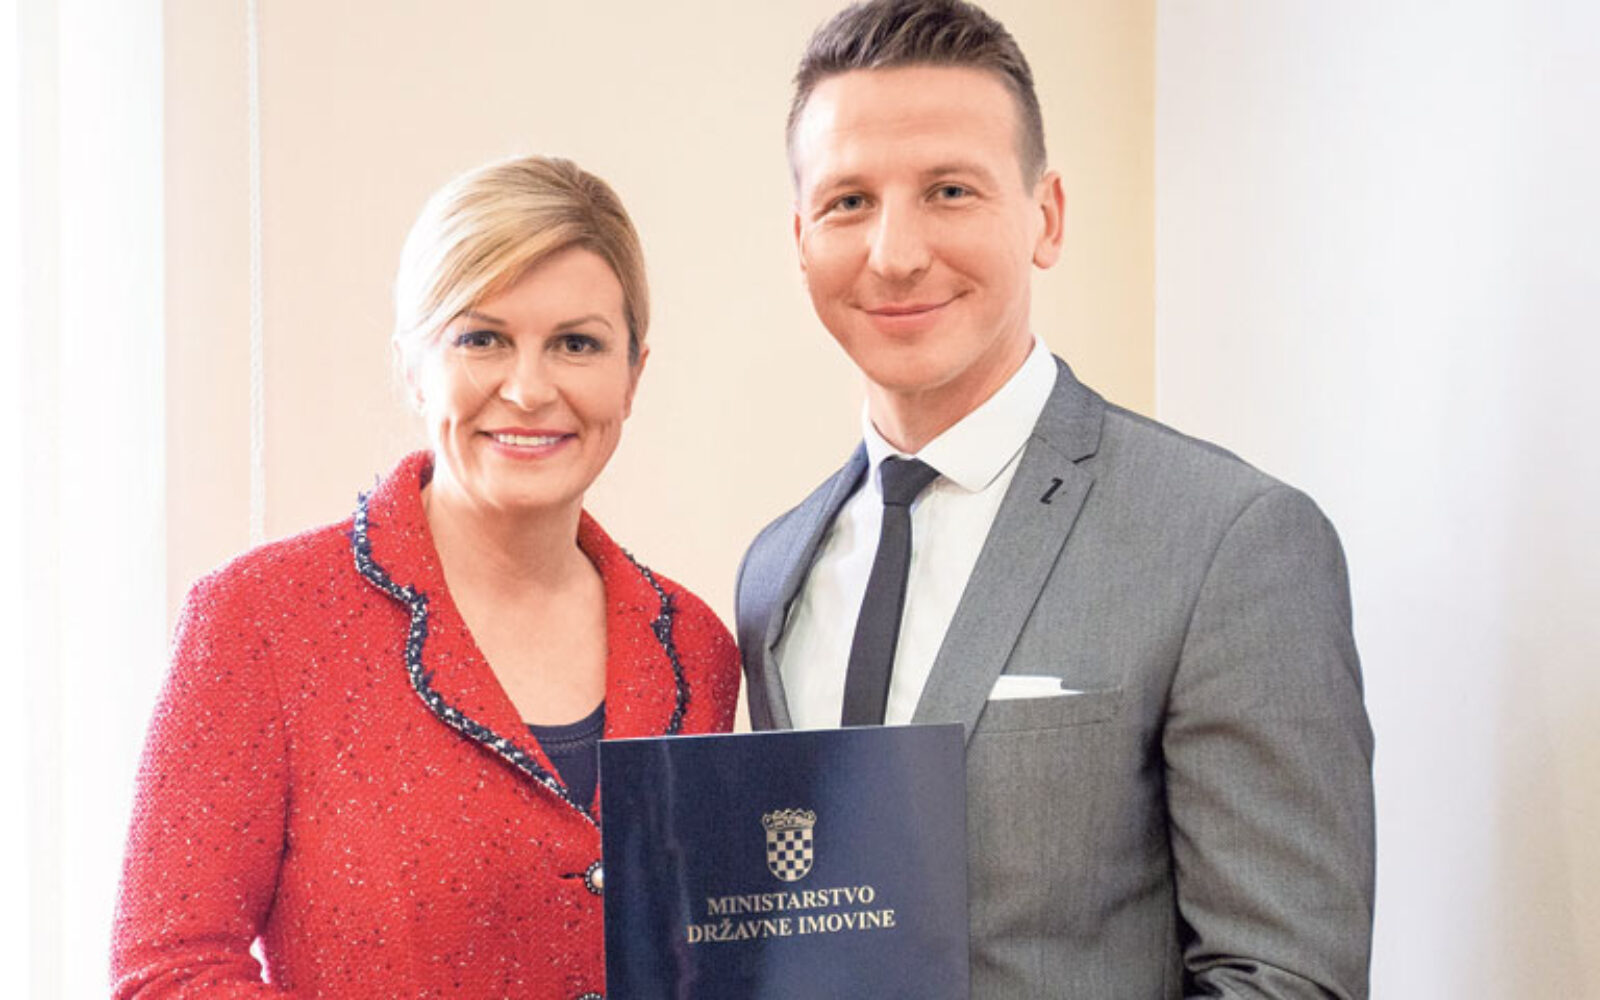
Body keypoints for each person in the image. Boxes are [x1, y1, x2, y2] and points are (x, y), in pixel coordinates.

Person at [735, 2, 1376, 997]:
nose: (894, 252)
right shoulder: (774, 575)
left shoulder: (1229, 541)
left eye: (950, 190)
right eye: (848, 201)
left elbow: (1285, 978)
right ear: (800, 240)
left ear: (1048, 216)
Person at [113, 155, 740, 999]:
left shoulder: (696, 649)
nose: (529, 389)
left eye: (577, 344)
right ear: (412, 367)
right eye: (482, 338)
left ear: (633, 374)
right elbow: (168, 971)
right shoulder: (259, 620)